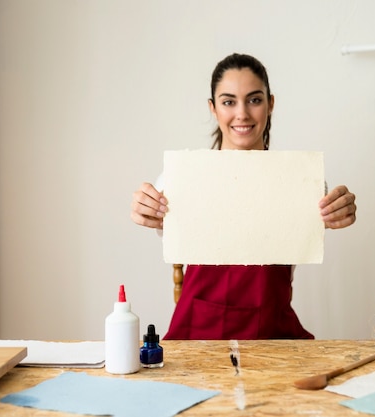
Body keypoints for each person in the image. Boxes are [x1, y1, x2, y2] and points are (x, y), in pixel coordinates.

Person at [130, 53, 356, 340]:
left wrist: (340, 210)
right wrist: (145, 208)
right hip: (198, 333)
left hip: (272, 332)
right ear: (213, 108)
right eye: (228, 102)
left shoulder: (300, 181)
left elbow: (322, 222)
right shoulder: (180, 179)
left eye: (254, 99)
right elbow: (160, 223)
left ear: (270, 103)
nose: (242, 114)